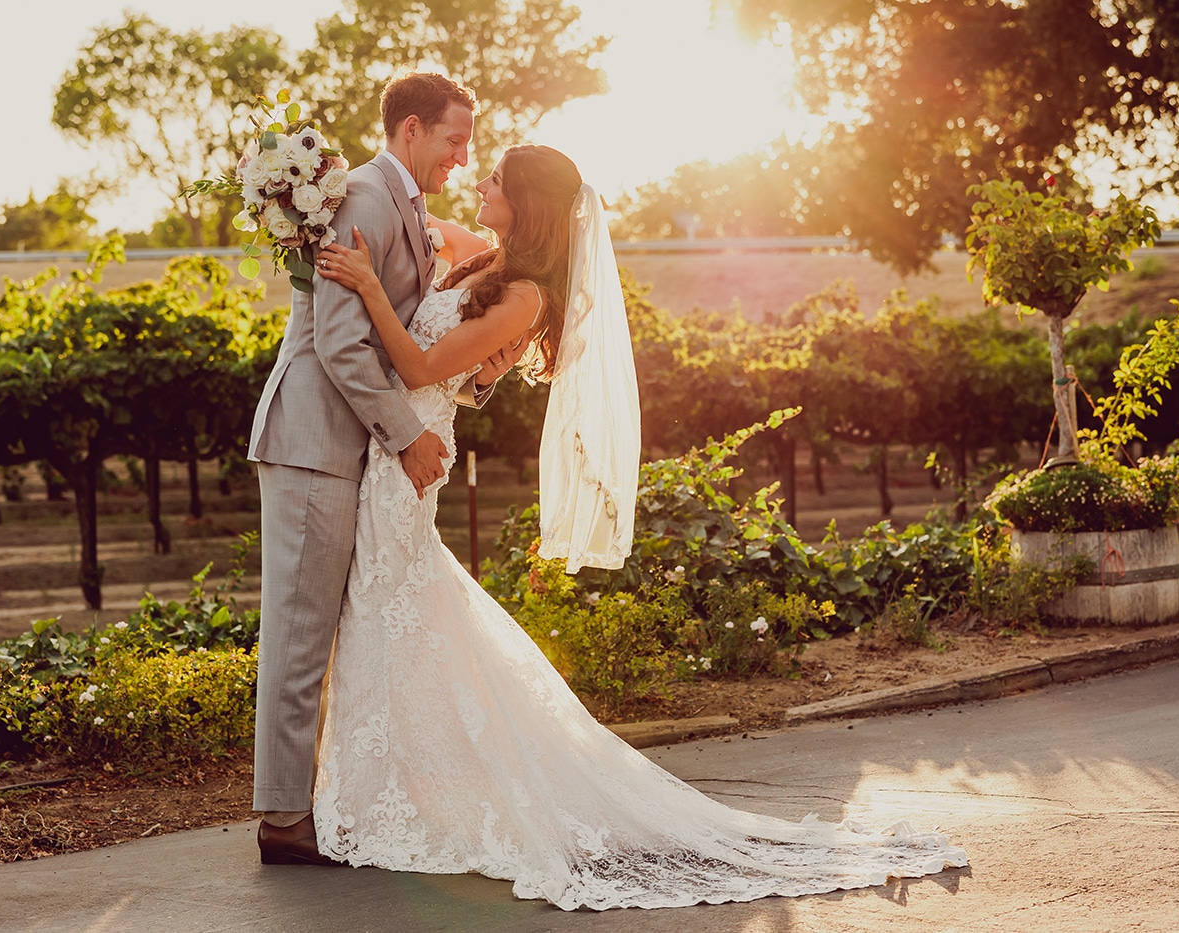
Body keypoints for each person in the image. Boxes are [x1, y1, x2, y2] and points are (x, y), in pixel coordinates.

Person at [307, 143, 968, 909]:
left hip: (412, 452)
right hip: (390, 450)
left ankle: (397, 797)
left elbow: (423, 370)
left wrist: (365, 288)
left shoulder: (525, 296)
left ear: (527, 201)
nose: (481, 180)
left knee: (400, 611)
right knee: (398, 615)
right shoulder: (485, 259)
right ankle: (385, 788)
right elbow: (421, 220)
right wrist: (318, 199)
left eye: (497, 179)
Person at [246, 73, 523, 866]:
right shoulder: (367, 198)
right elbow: (338, 343)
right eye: (454, 139)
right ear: (410, 130)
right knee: (300, 635)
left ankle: (303, 805)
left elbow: (408, 337)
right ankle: (283, 821)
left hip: (346, 446)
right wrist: (405, 436)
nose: (463, 157)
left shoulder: (399, 204)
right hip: (313, 440)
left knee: (325, 630)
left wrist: (475, 370)